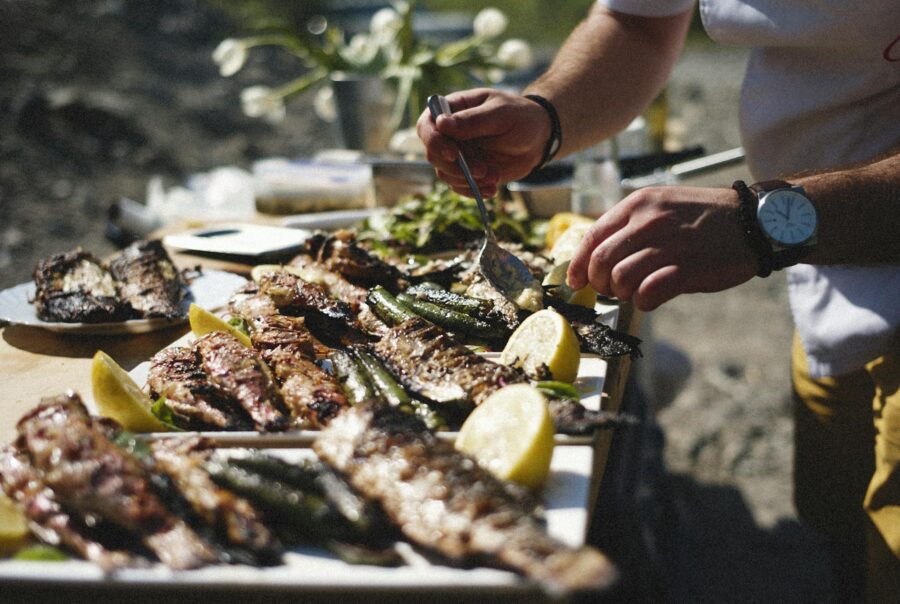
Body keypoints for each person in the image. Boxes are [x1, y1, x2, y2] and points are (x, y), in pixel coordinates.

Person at [417, 1, 900, 600]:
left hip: (825, 234)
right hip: (828, 271)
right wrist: (546, 115)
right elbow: (639, 23)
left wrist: (761, 223)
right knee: (841, 529)